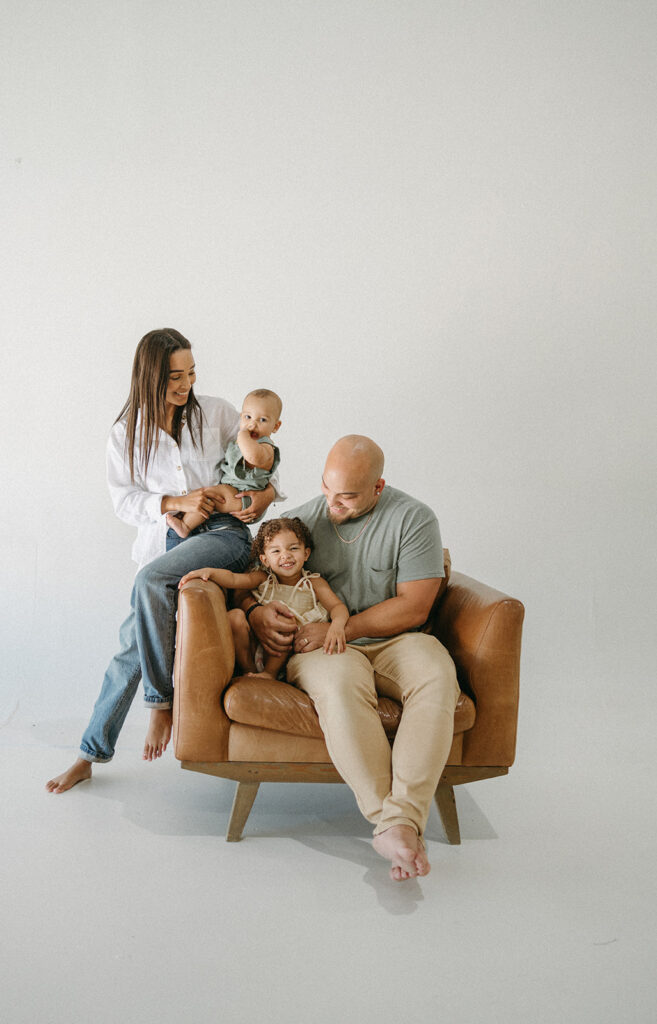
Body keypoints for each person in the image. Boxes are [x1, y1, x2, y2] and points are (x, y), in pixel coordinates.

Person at [46, 328, 281, 794]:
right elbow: (125, 501)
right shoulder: (124, 434)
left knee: (151, 583)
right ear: (150, 376)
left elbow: (262, 469)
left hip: (222, 539)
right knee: (130, 650)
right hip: (160, 549)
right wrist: (177, 501)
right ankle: (89, 753)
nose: (187, 383)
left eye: (192, 372)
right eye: (176, 375)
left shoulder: (216, 414)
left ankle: (161, 705)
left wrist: (261, 498)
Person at [243, 436, 459, 882]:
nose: (332, 503)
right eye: (327, 488)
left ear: (378, 487)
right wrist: (255, 612)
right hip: (322, 647)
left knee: (437, 674)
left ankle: (397, 821)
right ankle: (394, 824)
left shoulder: (413, 518)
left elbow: (415, 606)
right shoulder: (303, 519)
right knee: (340, 687)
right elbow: (253, 574)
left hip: (395, 639)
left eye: (347, 496)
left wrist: (344, 626)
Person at [179, 517, 349, 679]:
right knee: (234, 617)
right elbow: (233, 579)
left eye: (293, 548)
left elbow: (337, 607)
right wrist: (209, 572)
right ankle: (250, 671)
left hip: (290, 649)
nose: (286, 555)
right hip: (258, 646)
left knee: (284, 620)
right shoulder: (262, 578)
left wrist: (337, 626)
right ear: (265, 559)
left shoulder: (313, 583)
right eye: (276, 551)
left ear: (306, 553)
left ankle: (270, 674)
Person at [166, 388, 282, 540]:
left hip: (244, 497)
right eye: (248, 417)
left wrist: (242, 435)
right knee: (206, 496)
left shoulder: (266, 447)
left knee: (207, 495)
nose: (252, 425)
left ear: (275, 426)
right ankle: (187, 517)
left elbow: (253, 457)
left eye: (262, 420)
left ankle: (185, 526)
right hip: (234, 491)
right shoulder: (245, 440)